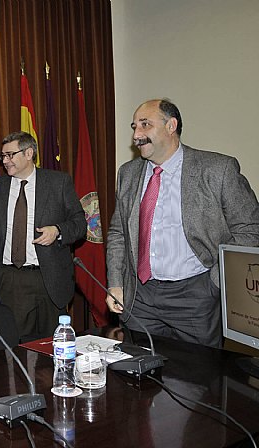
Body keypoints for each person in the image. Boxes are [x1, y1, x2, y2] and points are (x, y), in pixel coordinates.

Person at [106, 98, 259, 348]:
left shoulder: (217, 169)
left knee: (197, 379)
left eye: (145, 125)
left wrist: (214, 282)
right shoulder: (128, 173)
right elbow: (118, 233)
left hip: (195, 295)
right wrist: (116, 282)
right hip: (140, 296)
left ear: (171, 125)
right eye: (134, 127)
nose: (137, 134)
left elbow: (250, 229)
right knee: (139, 377)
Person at [0, 131, 86, 339]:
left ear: (29, 153)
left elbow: (80, 223)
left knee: (54, 344)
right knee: (17, 347)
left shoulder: (58, 182)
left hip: (50, 276)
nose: (5, 161)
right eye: (3, 156)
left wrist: (57, 230)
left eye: (10, 155)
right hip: (12, 278)